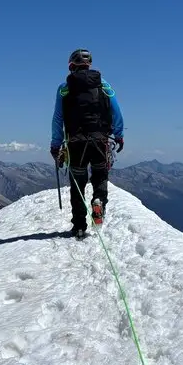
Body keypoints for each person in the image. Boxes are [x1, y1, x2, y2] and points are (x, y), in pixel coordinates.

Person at [50, 48, 125, 235]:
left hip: (75, 143)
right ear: (88, 64)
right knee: (100, 176)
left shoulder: (64, 89)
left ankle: (79, 226)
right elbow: (117, 111)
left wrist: (55, 144)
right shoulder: (104, 85)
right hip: (100, 141)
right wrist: (119, 134)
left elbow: (58, 119)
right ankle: (98, 201)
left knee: (77, 183)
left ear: (71, 66)